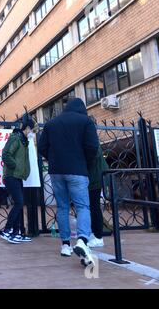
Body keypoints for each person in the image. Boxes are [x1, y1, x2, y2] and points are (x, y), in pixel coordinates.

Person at [38, 98, 99, 266]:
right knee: (82, 206)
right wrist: (84, 162)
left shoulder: (51, 124)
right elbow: (92, 147)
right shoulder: (85, 121)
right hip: (78, 170)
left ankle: (65, 245)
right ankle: (82, 240)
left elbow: (42, 147)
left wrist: (52, 159)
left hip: (56, 171)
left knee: (62, 207)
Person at [0, 113, 35, 244]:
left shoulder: (24, 141)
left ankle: (17, 233)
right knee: (19, 202)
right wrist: (14, 166)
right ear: (27, 129)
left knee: (19, 204)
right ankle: (7, 230)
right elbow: (6, 154)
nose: (32, 133)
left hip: (18, 176)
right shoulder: (15, 138)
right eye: (32, 130)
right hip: (11, 176)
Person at [87, 146, 109, 248]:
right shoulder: (89, 138)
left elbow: (93, 155)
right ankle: (93, 234)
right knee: (91, 207)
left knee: (94, 206)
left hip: (95, 178)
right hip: (94, 177)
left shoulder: (90, 140)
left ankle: (98, 237)